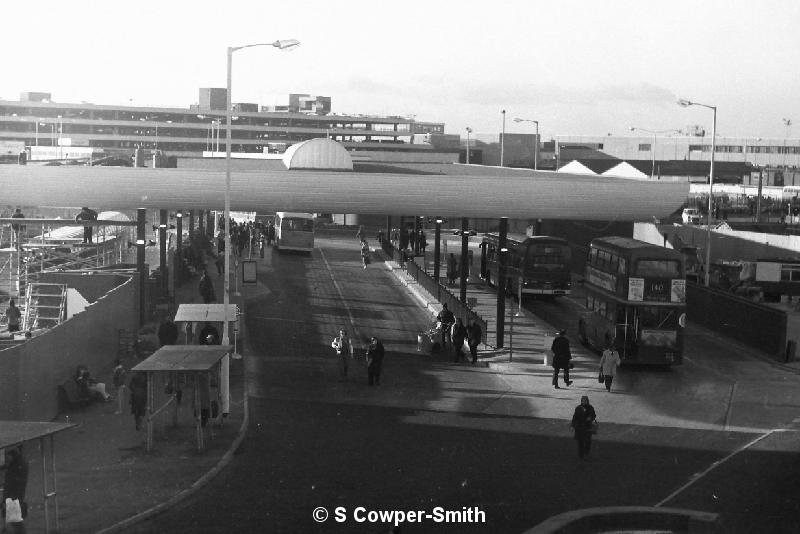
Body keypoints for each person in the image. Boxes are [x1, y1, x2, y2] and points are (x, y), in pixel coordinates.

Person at [1, 446, 29, 533]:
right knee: (15, 522)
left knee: (15, 522)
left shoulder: (18, 464)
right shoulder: (19, 463)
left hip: (13, 495)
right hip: (13, 494)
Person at [571, 395, 597, 460]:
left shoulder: (590, 408)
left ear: (587, 401)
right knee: (580, 442)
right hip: (579, 427)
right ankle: (581, 455)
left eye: (585, 401)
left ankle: (586, 452)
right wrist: (573, 425)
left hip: (587, 427)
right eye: (583, 401)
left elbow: (594, 415)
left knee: (588, 441)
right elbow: (575, 417)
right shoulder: (578, 408)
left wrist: (590, 418)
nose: (584, 402)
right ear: (581, 401)